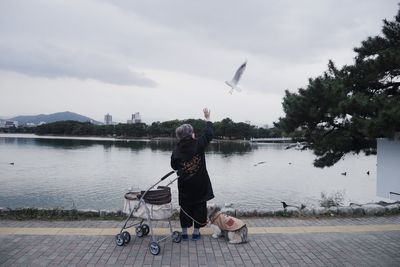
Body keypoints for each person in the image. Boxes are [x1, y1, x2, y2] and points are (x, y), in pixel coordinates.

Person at [171, 108, 214, 241]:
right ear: (191, 134)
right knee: (200, 207)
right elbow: (208, 134)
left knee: (185, 208)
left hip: (185, 185)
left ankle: (184, 233)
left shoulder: (177, 149)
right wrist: (207, 118)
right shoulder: (198, 144)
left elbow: (173, 166)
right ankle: (196, 233)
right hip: (200, 185)